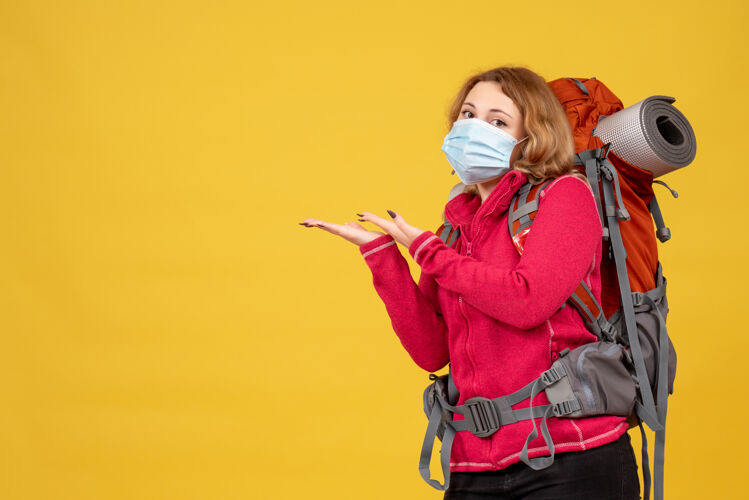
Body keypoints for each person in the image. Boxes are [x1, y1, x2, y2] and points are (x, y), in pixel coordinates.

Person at [300, 66, 640, 499]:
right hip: (473, 461)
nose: (474, 128)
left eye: (498, 121)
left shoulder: (564, 196)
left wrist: (427, 252)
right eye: (467, 114)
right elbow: (431, 351)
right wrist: (383, 257)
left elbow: (528, 302)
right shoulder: (455, 228)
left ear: (529, 138)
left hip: (570, 454)